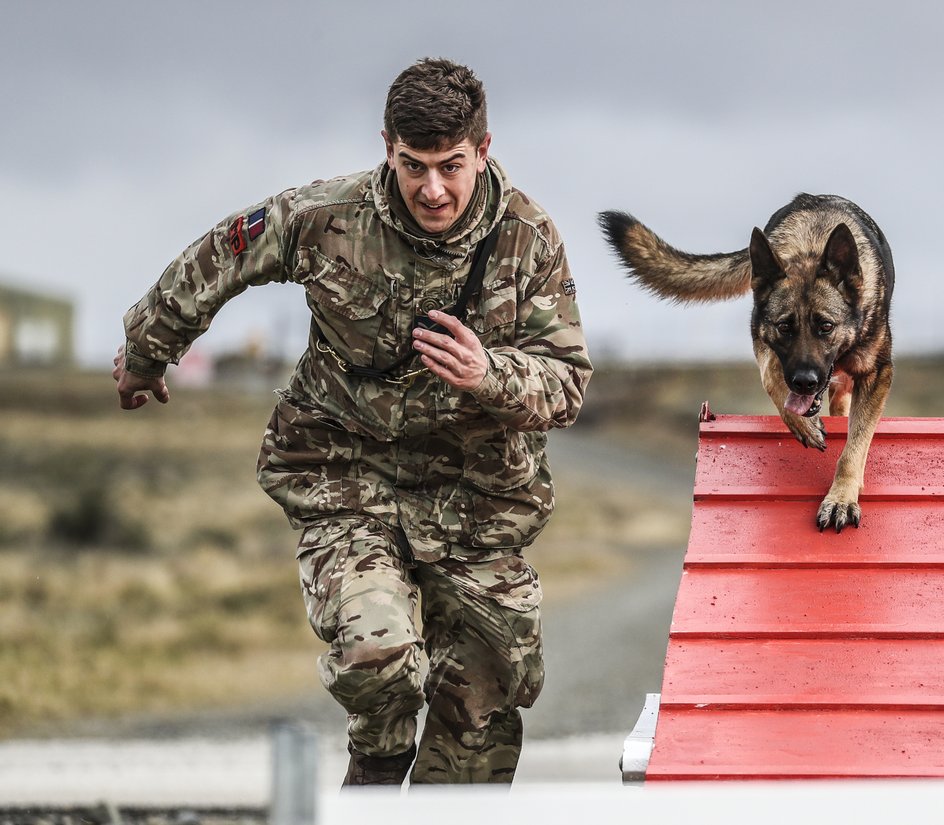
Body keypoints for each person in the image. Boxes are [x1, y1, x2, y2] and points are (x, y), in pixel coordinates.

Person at [112, 57, 592, 786]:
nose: (433, 188)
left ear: (484, 150)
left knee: (484, 707)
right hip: (347, 477)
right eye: (414, 165)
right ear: (387, 148)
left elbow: (567, 384)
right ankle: (374, 768)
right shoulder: (328, 217)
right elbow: (225, 252)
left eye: (451, 166)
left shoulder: (528, 240)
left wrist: (489, 373)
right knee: (381, 656)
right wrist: (149, 349)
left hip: (476, 502)